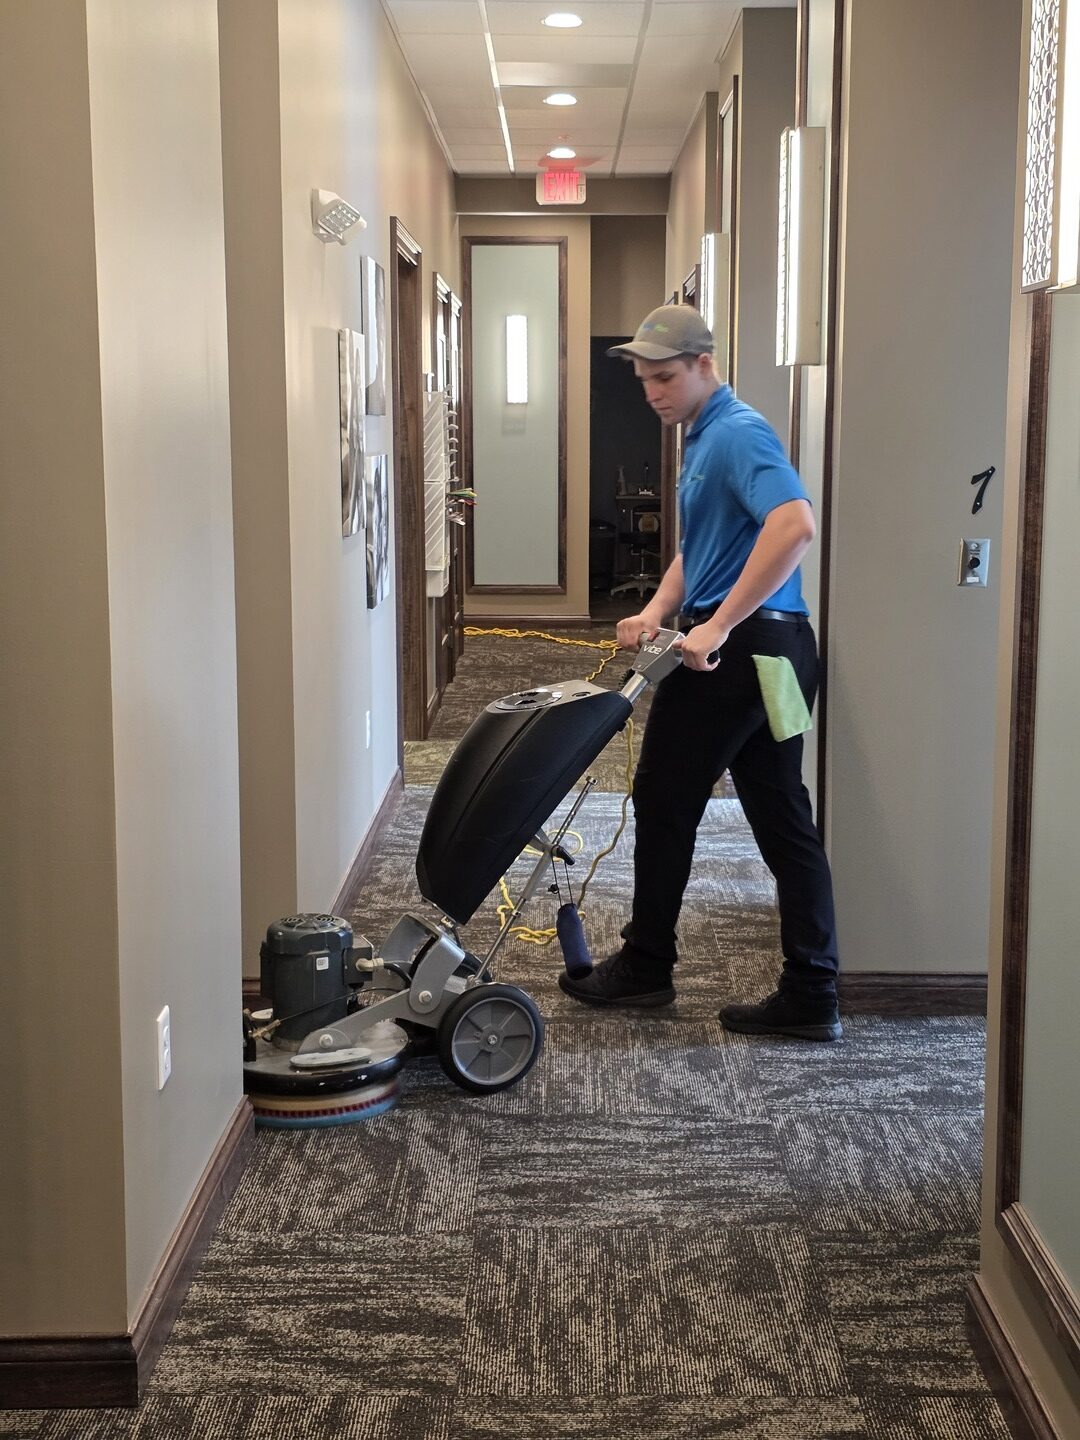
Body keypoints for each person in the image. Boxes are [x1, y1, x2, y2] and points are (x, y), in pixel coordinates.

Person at [558, 304, 841, 1041]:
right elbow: (701, 550)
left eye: (665, 377)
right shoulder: (703, 438)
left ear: (705, 365)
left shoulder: (738, 432)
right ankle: (813, 992)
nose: (653, 392)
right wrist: (657, 610)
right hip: (779, 652)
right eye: (644, 380)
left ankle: (647, 964)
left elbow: (795, 524)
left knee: (663, 799)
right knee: (782, 813)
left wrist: (716, 626)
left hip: (738, 655)